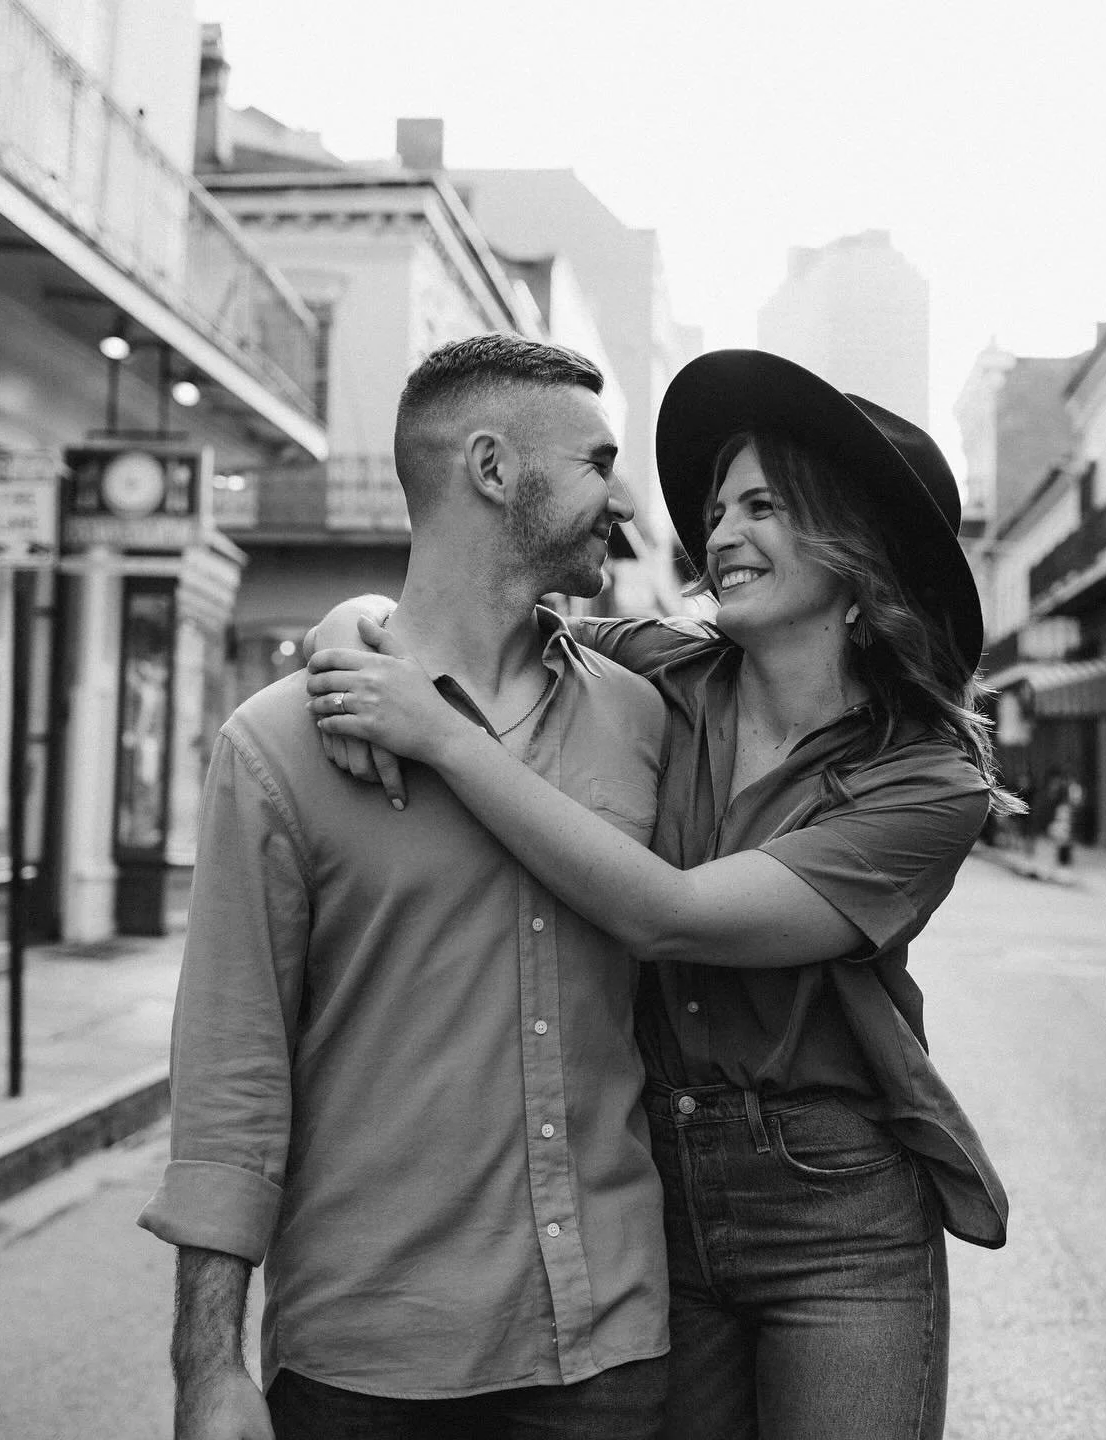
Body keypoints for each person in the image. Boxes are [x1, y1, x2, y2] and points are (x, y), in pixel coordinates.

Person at [307, 349, 1017, 1440]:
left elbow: (668, 915)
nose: (720, 535)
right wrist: (349, 619)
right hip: (651, 1194)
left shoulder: (926, 786)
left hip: (835, 1217)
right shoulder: (659, 671)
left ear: (856, 549)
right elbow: (467, 613)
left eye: (765, 506)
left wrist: (439, 738)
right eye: (720, 507)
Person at [138, 335, 674, 1440]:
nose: (620, 494)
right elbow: (233, 1073)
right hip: (365, 1368)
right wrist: (207, 1365)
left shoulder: (647, 717)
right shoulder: (279, 746)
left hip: (612, 1355)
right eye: (596, 460)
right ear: (490, 468)